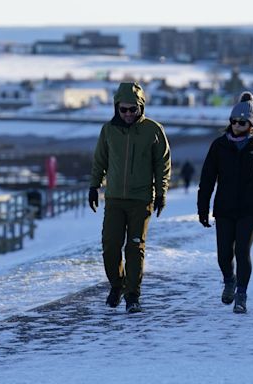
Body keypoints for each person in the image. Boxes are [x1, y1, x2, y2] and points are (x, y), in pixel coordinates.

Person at [197, 91, 253, 314]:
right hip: (224, 208)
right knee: (224, 253)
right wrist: (202, 208)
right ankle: (229, 280)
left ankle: (241, 295)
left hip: (250, 208)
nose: (236, 125)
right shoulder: (219, 146)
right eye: (233, 121)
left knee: (242, 251)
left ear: (251, 123)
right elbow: (207, 179)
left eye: (242, 122)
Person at [89, 82, 171, 313]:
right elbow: (100, 160)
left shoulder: (153, 130)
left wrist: (161, 194)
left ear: (141, 107)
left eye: (132, 110)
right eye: (123, 109)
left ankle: (133, 295)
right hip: (114, 198)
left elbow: (162, 165)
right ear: (116, 108)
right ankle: (117, 285)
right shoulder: (108, 130)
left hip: (141, 199)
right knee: (110, 246)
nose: (127, 114)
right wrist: (94, 186)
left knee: (135, 248)